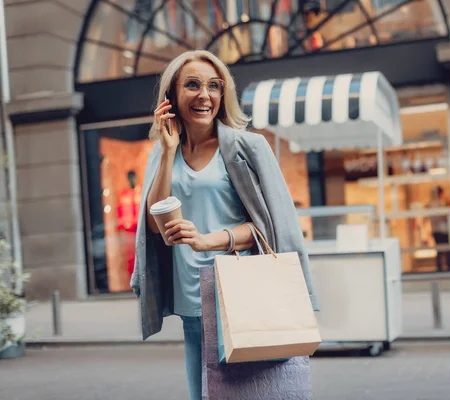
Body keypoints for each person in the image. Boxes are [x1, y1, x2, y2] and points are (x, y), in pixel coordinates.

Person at [129, 50, 318, 400]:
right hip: (191, 301)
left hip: (242, 297)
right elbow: (155, 228)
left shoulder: (249, 147)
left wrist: (207, 240)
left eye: (214, 86)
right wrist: (168, 150)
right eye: (193, 85)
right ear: (171, 96)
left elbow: (270, 229)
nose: (205, 95)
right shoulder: (161, 153)